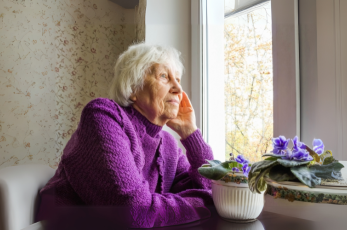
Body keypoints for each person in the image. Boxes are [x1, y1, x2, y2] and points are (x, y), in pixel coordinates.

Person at [35, 43, 214, 229]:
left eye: (178, 79)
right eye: (164, 76)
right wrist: (205, 202)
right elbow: (135, 212)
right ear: (133, 87)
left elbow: (208, 187)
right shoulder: (103, 116)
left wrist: (191, 133)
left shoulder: (167, 143)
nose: (178, 88)